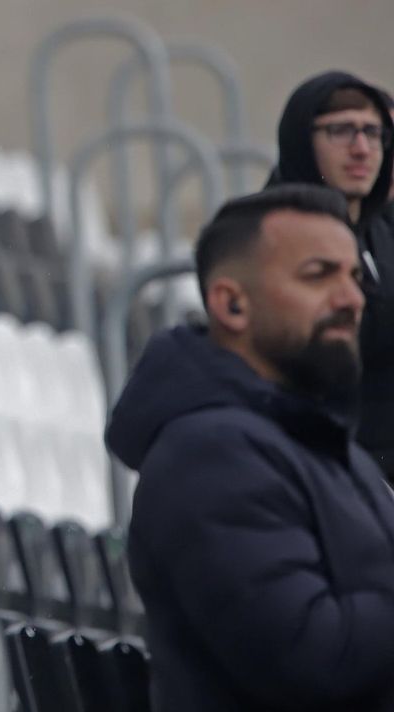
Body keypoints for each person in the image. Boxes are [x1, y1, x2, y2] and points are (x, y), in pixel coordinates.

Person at [104, 185, 394, 711]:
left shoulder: (323, 447)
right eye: (318, 275)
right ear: (232, 303)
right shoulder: (210, 455)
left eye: (354, 277)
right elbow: (314, 660)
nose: (352, 299)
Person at [269, 71, 394, 478]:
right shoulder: (271, 237)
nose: (361, 148)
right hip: (330, 470)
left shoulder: (380, 230)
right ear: (302, 141)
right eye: (341, 131)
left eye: (374, 134)